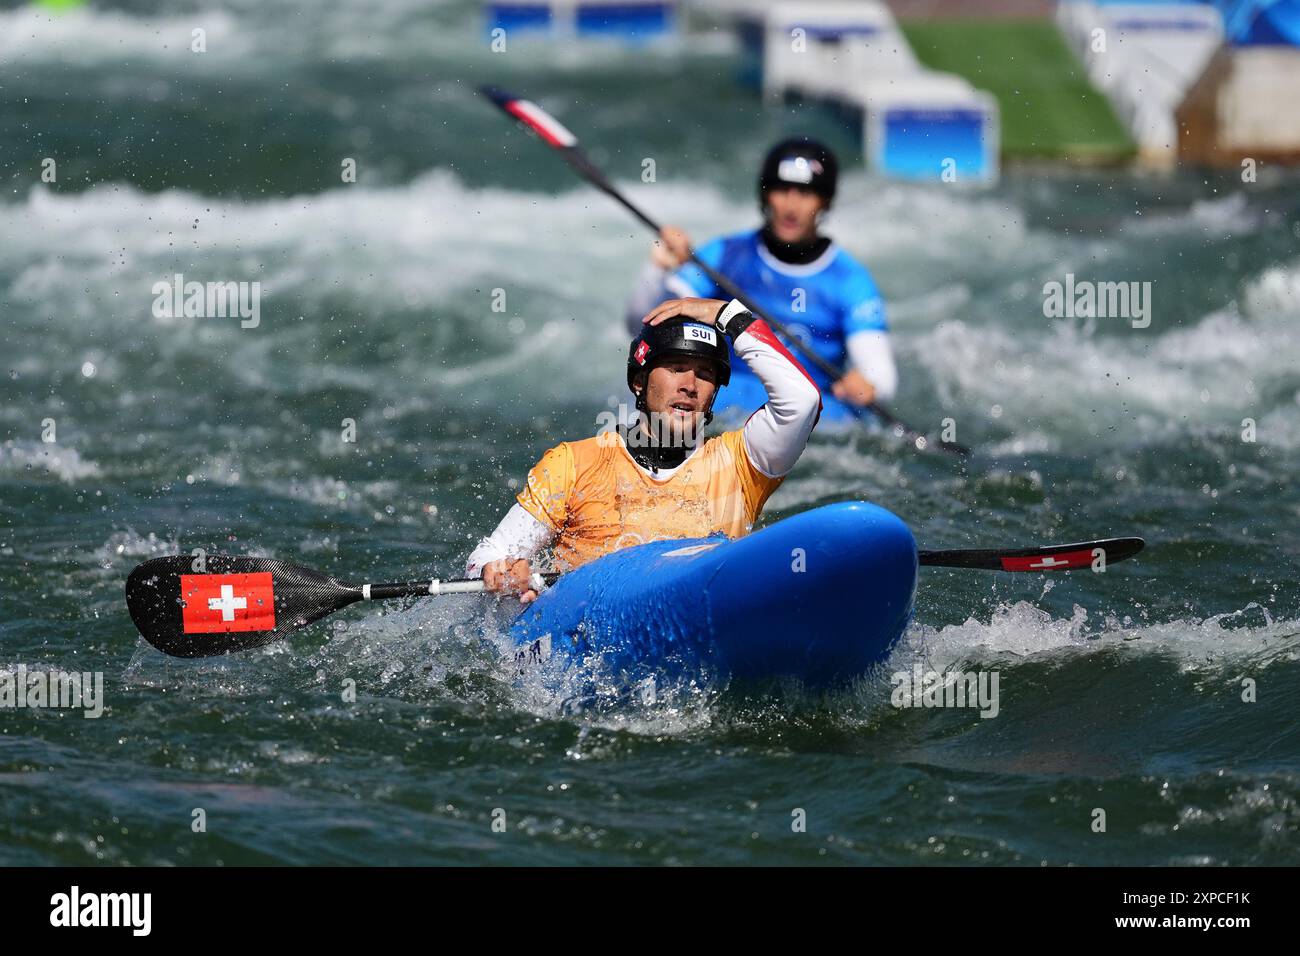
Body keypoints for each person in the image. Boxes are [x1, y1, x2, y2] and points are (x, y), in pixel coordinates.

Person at [467, 297, 821, 601]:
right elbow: (490, 554)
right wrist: (499, 572)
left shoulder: (742, 465)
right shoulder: (574, 464)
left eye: (705, 374)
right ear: (639, 382)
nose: (690, 386)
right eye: (676, 368)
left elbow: (801, 401)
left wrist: (726, 314)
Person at [624, 138, 897, 425]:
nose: (791, 206)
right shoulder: (725, 255)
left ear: (825, 201)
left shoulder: (849, 280)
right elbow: (642, 325)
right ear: (766, 195)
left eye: (805, 193)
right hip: (730, 402)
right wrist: (656, 270)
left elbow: (881, 375)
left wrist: (868, 385)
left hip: (810, 415)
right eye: (782, 190)